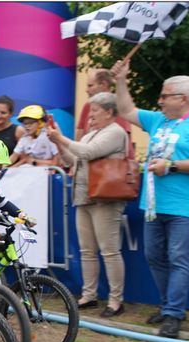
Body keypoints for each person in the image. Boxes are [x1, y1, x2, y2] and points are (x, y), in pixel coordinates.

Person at [111, 59, 189, 338]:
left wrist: (171, 166)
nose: (160, 100)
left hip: (184, 205)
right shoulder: (158, 119)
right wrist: (121, 80)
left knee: (178, 258)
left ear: (182, 98)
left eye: (165, 96)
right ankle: (168, 306)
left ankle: (173, 313)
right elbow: (126, 110)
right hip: (153, 204)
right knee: (153, 256)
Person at [48, 92, 129, 317]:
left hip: (105, 198)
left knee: (109, 251)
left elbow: (88, 152)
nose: (90, 115)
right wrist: (58, 143)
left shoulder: (116, 131)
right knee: (87, 251)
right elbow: (73, 161)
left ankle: (116, 300)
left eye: (95, 110)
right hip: (84, 196)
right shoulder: (90, 134)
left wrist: (61, 138)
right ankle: (89, 295)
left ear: (109, 112)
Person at [76, 69, 135, 157]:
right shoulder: (87, 106)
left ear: (103, 85)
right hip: (89, 161)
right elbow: (80, 136)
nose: (86, 90)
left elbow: (121, 140)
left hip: (111, 162)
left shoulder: (117, 106)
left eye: (90, 85)